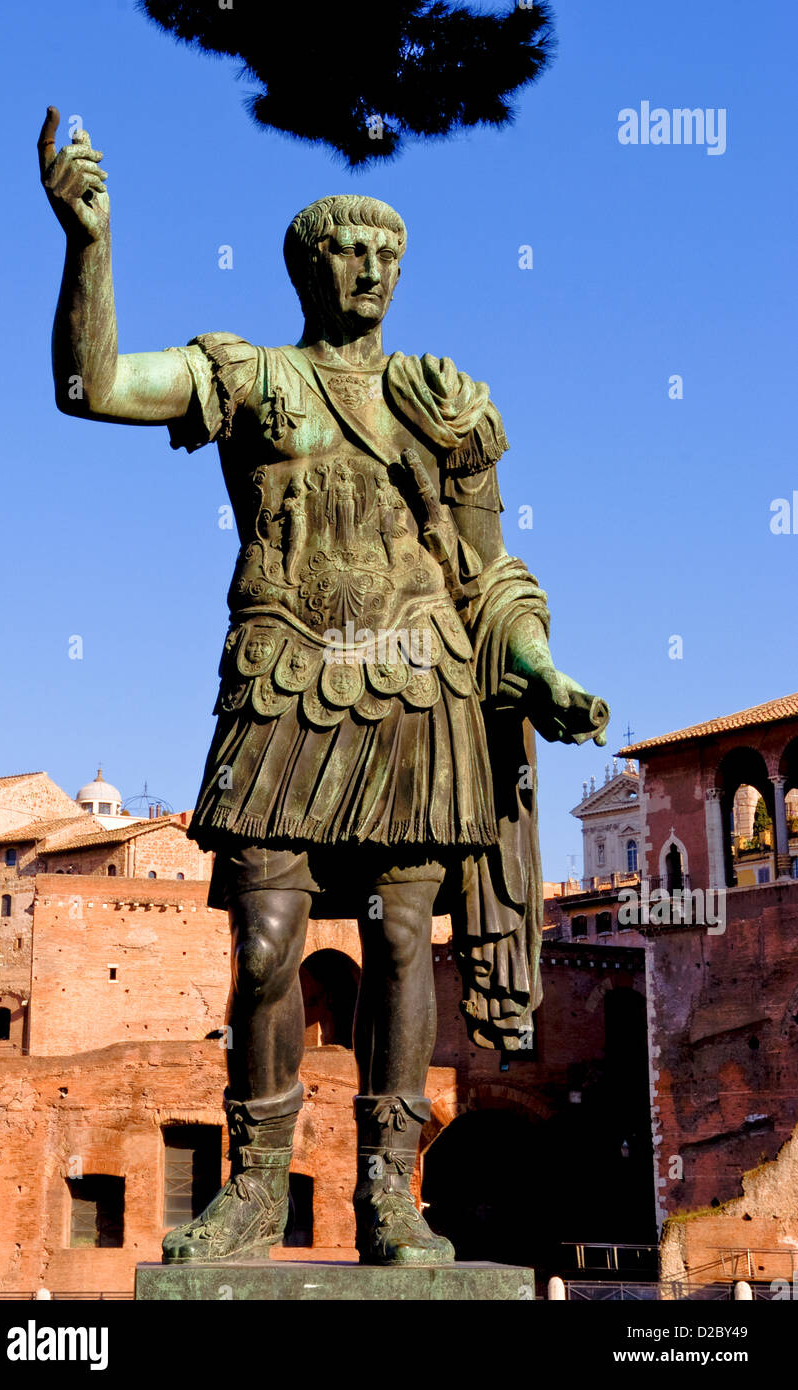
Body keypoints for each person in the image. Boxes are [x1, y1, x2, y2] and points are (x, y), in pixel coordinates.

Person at [38, 106, 609, 1266]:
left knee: (405, 942)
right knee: (263, 943)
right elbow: (89, 385)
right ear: (307, 265)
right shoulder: (249, 378)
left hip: (419, 691)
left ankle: (390, 1195)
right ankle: (253, 1186)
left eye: (388, 255)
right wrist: (87, 244)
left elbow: (490, 573)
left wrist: (540, 669)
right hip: (286, 684)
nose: (371, 270)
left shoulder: (445, 403)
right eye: (349, 251)